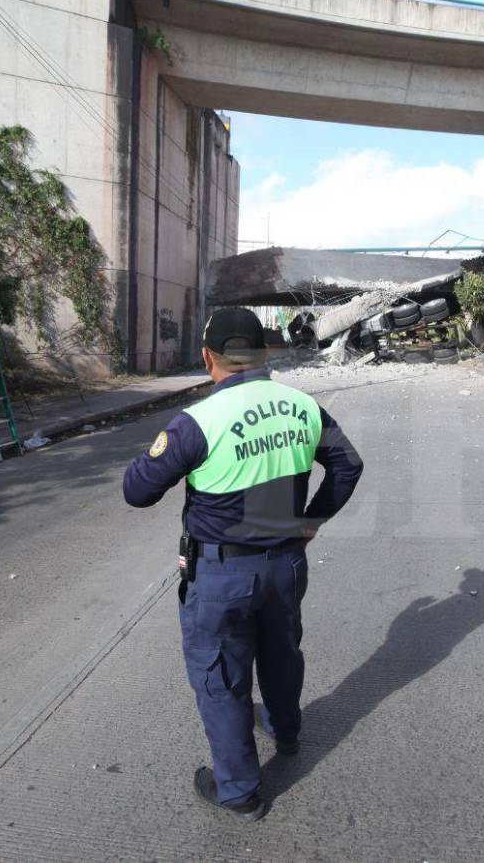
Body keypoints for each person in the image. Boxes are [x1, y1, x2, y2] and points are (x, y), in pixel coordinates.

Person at [122, 307, 364, 821]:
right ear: (265, 354)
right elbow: (348, 464)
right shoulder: (302, 406)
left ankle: (237, 790)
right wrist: (311, 519)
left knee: (221, 675)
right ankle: (286, 729)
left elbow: (138, 492)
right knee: (281, 652)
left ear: (208, 357)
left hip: (222, 575)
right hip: (285, 564)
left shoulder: (198, 422)